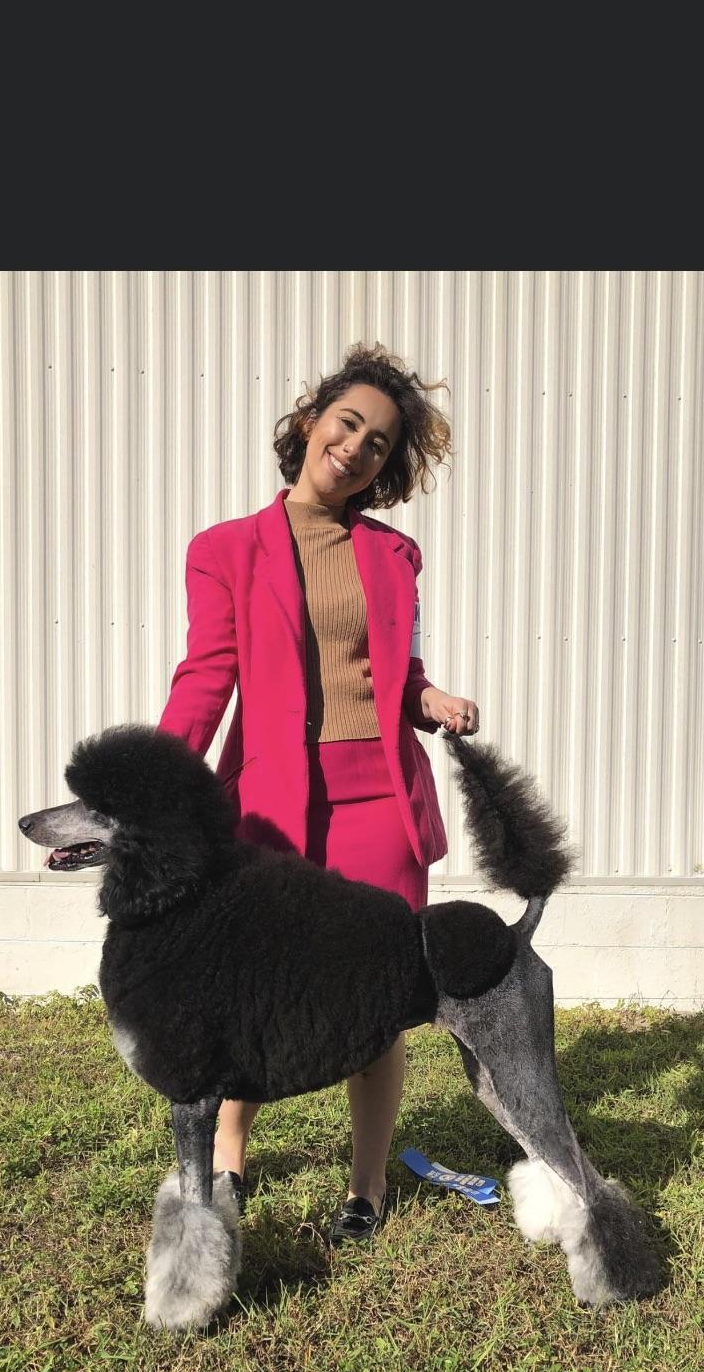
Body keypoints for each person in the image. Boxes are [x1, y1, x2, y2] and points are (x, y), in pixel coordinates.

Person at [157, 340, 480, 1241]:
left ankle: (367, 1187)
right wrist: (160, 782)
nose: (357, 448)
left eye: (379, 443)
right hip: (271, 805)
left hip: (381, 802)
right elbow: (207, 676)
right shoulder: (224, 549)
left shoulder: (395, 555)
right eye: (348, 423)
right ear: (309, 421)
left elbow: (399, 673)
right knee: (251, 988)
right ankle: (228, 1160)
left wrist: (430, 699)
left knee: (380, 995)